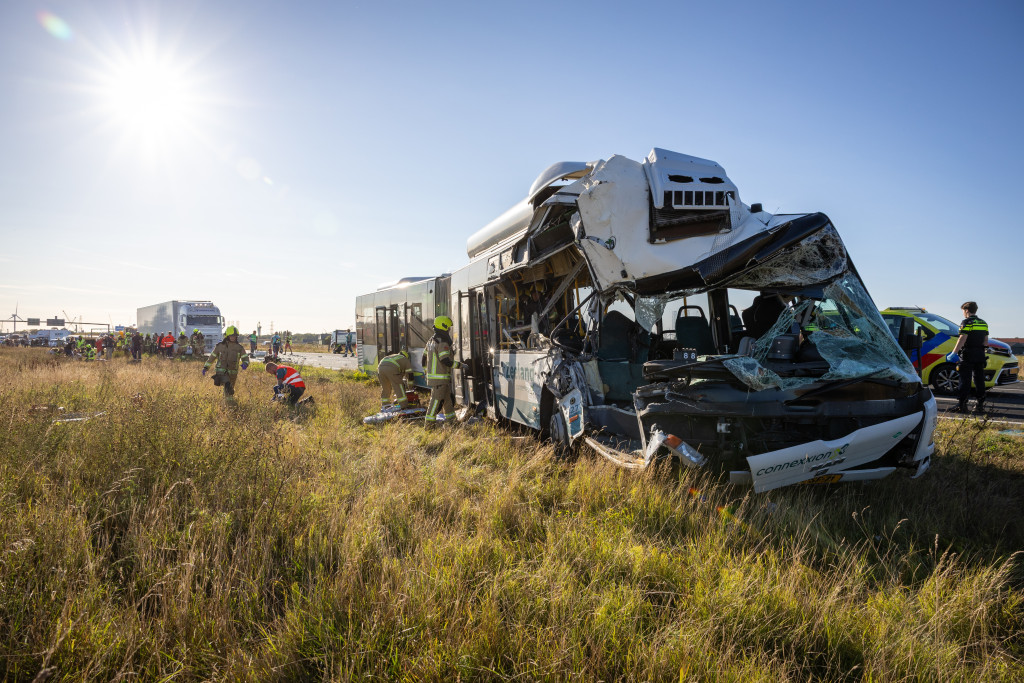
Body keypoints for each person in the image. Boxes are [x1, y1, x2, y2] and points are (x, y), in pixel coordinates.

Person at [948, 301, 989, 414]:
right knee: (979, 380)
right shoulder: (983, 323)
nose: (963, 314)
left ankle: (962, 405)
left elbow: (962, 338)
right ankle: (979, 405)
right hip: (980, 354)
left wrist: (954, 352)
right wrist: (983, 354)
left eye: (963, 311)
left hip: (967, 354)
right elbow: (985, 341)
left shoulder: (967, 322)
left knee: (964, 379)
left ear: (966, 310)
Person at [421, 316, 461, 427]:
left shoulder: (431, 341)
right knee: (435, 401)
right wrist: (460, 365)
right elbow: (446, 361)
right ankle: (428, 425)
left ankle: (452, 421)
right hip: (440, 379)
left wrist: (426, 373)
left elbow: (423, 358)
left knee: (447, 400)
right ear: (444, 327)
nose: (449, 330)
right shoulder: (442, 342)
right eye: (448, 328)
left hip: (436, 379)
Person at [202, 326, 250, 401]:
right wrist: (206, 367)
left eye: (234, 336)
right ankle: (228, 402)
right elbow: (212, 357)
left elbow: (245, 358)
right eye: (231, 336)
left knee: (230, 390)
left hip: (233, 372)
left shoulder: (239, 348)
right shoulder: (220, 346)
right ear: (227, 336)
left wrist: (245, 363)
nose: (233, 338)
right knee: (227, 384)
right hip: (221, 371)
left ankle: (229, 403)